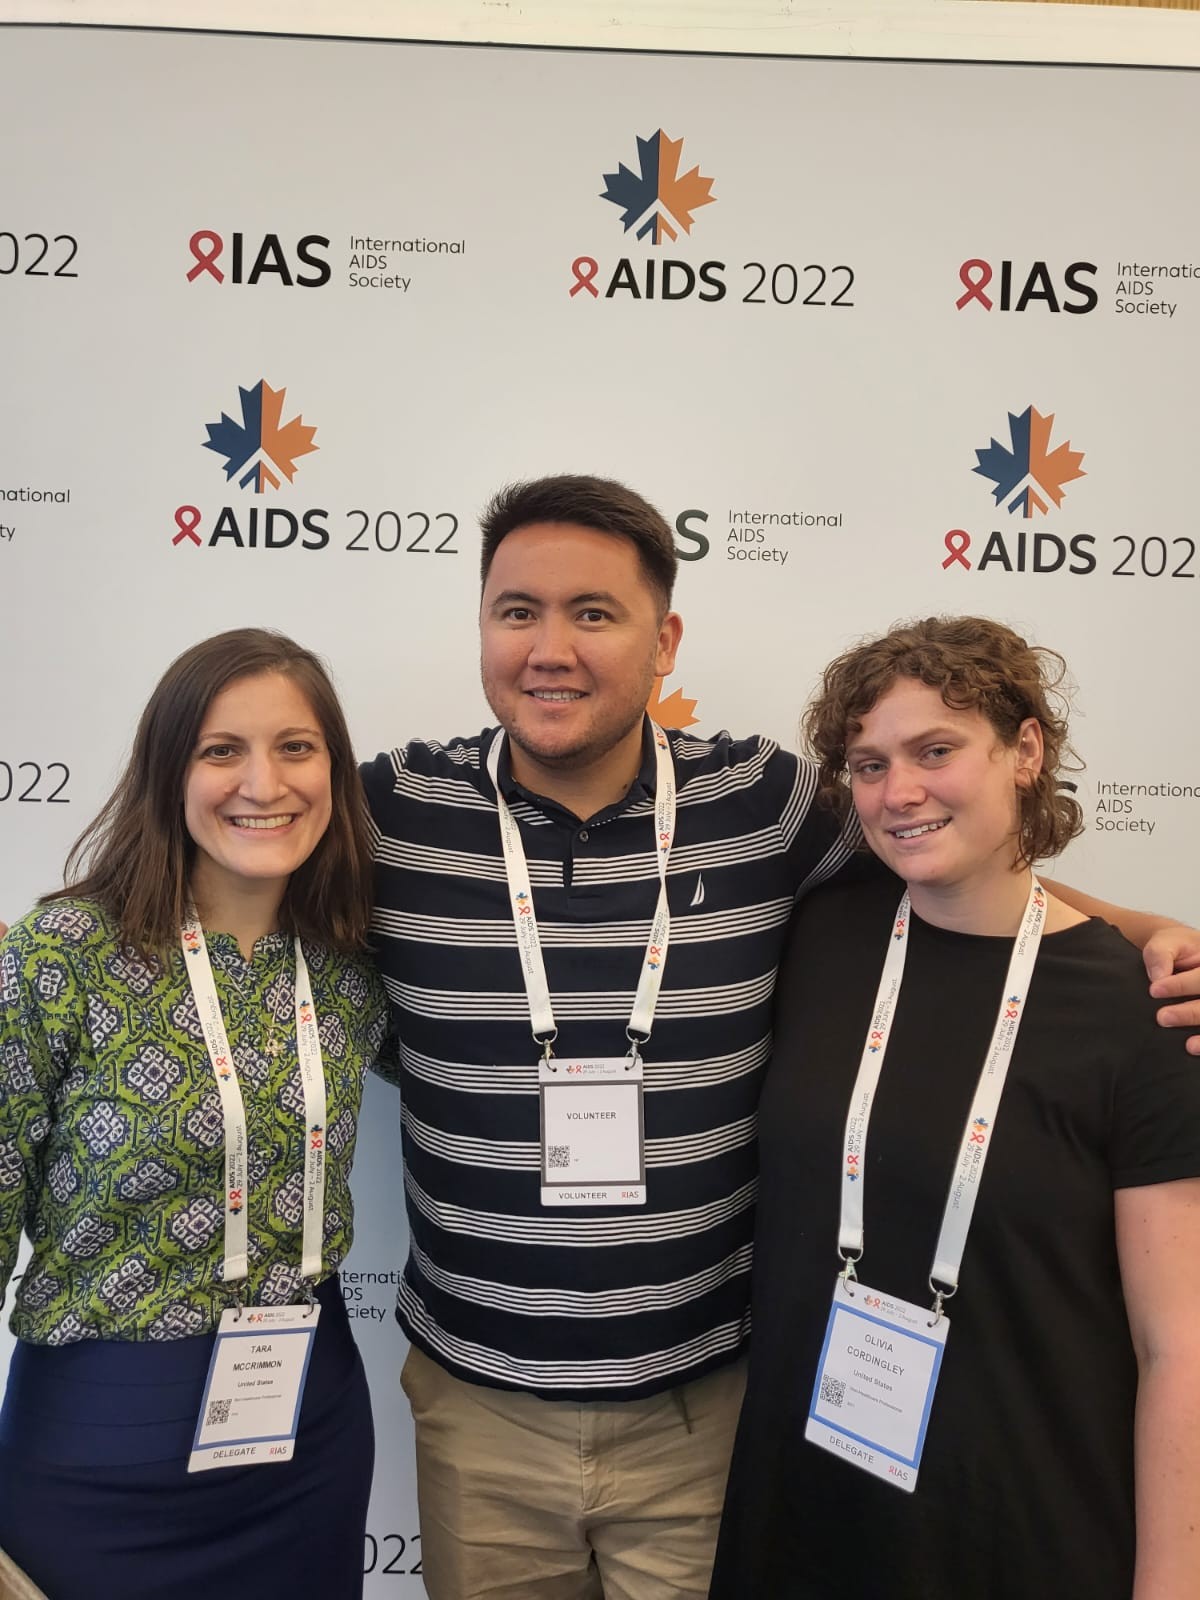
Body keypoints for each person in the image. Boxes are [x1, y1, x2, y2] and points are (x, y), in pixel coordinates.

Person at [361, 477, 1200, 1600]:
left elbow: (967, 869)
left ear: (665, 640)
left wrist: (1154, 934)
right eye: (517, 611)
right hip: (479, 1412)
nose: (550, 647)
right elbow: (230, 876)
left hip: (705, 1411)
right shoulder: (386, 815)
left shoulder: (767, 803)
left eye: (594, 613)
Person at [709, 616, 1200, 1600]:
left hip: (1022, 1525)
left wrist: (1173, 1581)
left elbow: (1177, 1346)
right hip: (805, 1508)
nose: (900, 792)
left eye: (937, 750)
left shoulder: (1141, 1012)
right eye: (868, 762)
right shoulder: (821, 936)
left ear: (1025, 750)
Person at [0, 629, 388, 1600]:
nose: (265, 781)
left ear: (333, 771)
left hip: (310, 1433)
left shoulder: (350, 968)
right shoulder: (61, 957)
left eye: (296, 747)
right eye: (223, 750)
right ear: (169, 770)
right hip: (100, 1448)